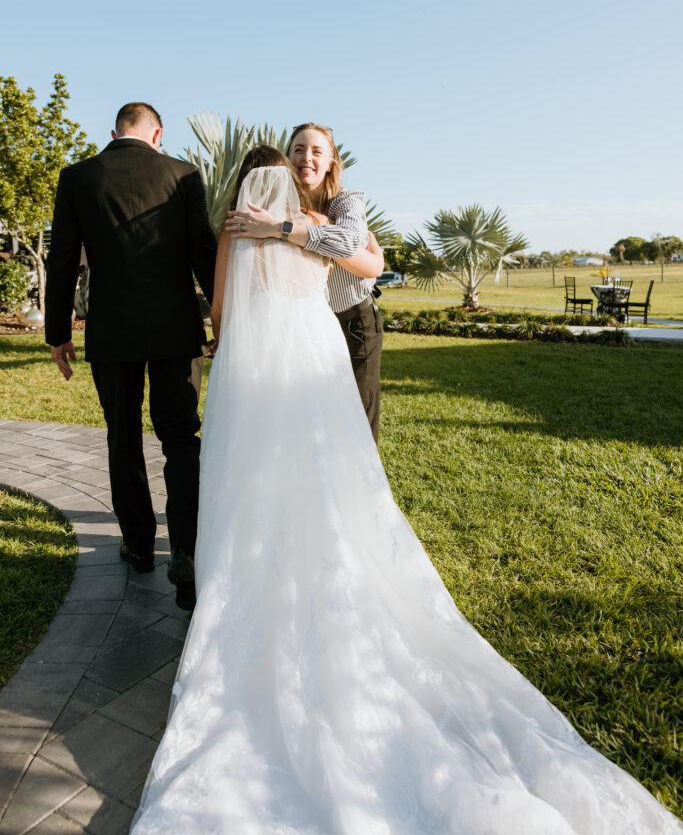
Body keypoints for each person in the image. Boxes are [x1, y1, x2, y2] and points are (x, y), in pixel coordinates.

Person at [131, 156, 681, 835]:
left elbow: (220, 309)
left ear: (244, 185)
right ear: (291, 178)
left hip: (253, 366)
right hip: (313, 362)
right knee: (329, 477)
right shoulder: (309, 221)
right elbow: (357, 265)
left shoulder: (236, 231)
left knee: (247, 480)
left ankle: (251, 586)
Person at [45, 103, 217, 610]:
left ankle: (139, 546)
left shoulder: (77, 176)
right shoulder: (183, 175)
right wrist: (222, 321)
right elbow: (202, 253)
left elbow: (62, 262)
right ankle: (184, 549)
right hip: (174, 329)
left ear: (114, 132)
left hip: (112, 330)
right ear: (157, 134)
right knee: (181, 438)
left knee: (123, 436)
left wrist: (58, 332)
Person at [226, 123, 384, 442]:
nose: (306, 157)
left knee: (358, 421)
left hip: (354, 320)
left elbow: (349, 242)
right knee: (317, 417)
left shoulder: (344, 201)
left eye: (316, 151)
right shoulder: (279, 206)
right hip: (304, 324)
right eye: (298, 149)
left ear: (330, 164)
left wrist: (279, 229)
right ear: (286, 159)